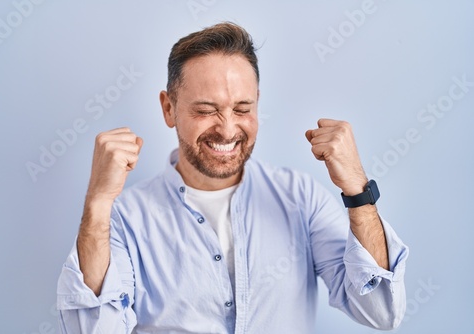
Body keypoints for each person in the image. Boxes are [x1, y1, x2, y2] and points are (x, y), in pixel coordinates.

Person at [57, 22, 408, 333]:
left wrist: (357, 191)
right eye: (206, 110)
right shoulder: (123, 218)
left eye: (243, 109)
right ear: (169, 109)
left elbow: (381, 311)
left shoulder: (301, 198)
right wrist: (98, 203)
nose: (227, 130)